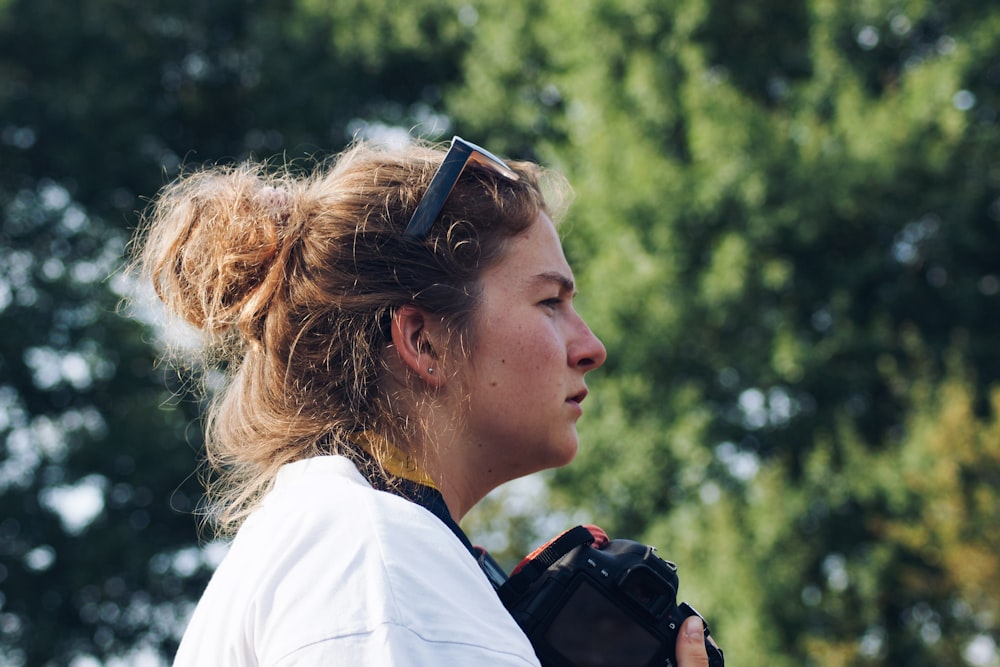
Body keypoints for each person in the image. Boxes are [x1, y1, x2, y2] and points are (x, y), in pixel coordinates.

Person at [134, 136, 714, 665]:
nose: (591, 347)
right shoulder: (380, 561)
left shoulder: (345, 539)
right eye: (549, 303)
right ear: (424, 341)